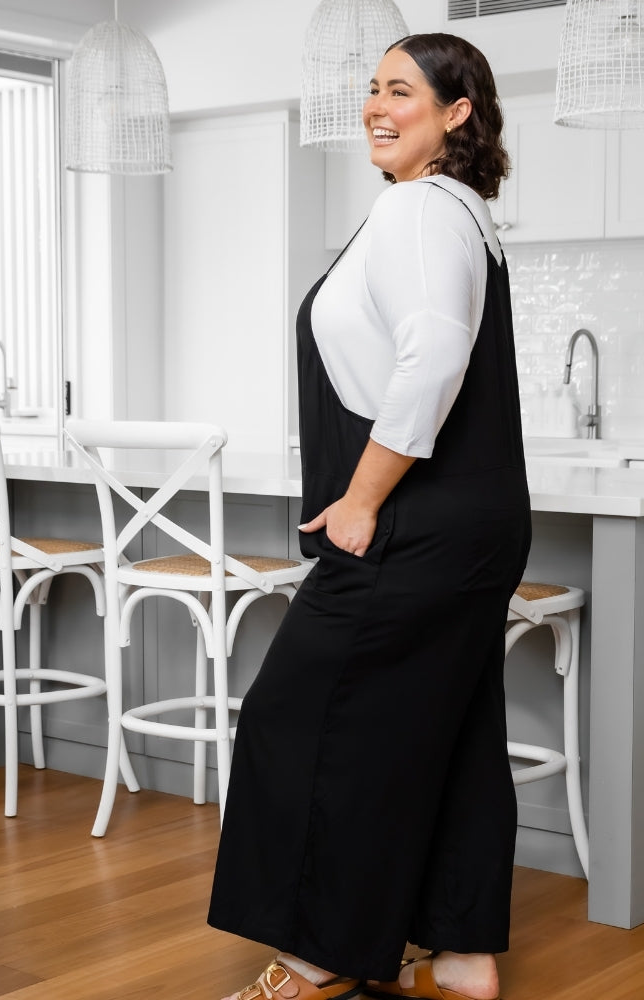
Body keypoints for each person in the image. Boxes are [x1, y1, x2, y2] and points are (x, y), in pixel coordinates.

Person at [209, 32, 531, 1000]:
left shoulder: (419, 210)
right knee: (451, 729)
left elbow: (432, 358)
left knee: (302, 720)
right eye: (373, 89)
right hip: (472, 522)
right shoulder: (462, 212)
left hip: (413, 523)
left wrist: (360, 497)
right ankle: (462, 952)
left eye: (402, 91)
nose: (377, 108)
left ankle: (319, 956)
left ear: (456, 112)